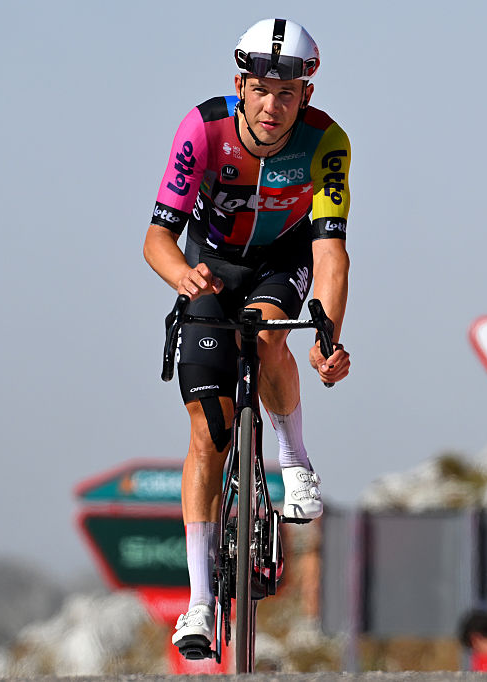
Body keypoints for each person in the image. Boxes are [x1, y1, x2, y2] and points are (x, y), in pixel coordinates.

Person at [143, 17, 352, 654]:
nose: (272, 105)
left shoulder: (326, 143)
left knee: (267, 337)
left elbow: (332, 256)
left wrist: (327, 334)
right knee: (208, 433)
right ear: (242, 85)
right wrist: (184, 277)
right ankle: (200, 605)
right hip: (208, 269)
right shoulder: (202, 130)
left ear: (306, 95)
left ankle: (293, 459)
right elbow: (157, 238)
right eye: (261, 91)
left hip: (279, 266)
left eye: (286, 94)